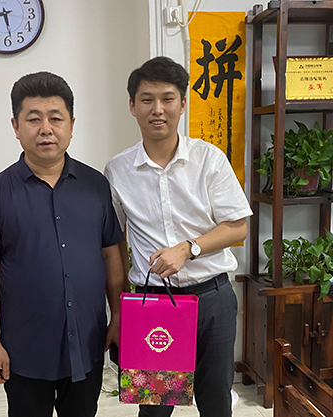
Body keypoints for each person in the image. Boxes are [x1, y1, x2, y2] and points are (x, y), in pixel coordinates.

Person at [0, 71, 126, 416]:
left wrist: (118, 317)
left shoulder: (96, 186)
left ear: (71, 124)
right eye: (33, 119)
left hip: (87, 343)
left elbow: (112, 255)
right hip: (24, 352)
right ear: (16, 126)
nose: (46, 129)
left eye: (56, 118)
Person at [105, 56, 251, 417]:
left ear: (182, 104)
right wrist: (119, 310)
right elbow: (114, 243)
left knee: (215, 401)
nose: (158, 109)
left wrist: (188, 248)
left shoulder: (209, 159)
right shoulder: (118, 170)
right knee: (155, 408)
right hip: (153, 302)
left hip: (212, 298)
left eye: (168, 98)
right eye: (147, 99)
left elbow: (238, 226)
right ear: (132, 106)